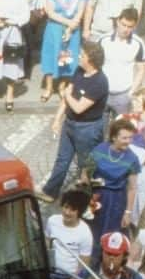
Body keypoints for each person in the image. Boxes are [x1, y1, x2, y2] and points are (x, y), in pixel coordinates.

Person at [41, 41, 109, 202]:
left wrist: (66, 94)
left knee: (86, 165)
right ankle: (51, 192)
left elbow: (78, 107)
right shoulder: (79, 71)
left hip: (88, 129)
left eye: (82, 55)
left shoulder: (99, 82)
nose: (79, 57)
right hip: (70, 124)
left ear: (91, 60)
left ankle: (89, 199)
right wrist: (57, 119)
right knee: (62, 159)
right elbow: (67, 99)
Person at [84, 117, 140, 243]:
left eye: (130, 137)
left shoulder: (132, 159)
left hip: (116, 201)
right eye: (124, 138)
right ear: (114, 137)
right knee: (92, 231)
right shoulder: (99, 150)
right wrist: (87, 192)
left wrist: (128, 212)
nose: (128, 141)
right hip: (97, 196)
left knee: (112, 234)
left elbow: (132, 188)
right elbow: (85, 173)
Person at [39, 0, 86, 102]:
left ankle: (62, 86)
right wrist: (68, 23)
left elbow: (80, 12)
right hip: (55, 29)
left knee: (67, 58)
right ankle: (48, 87)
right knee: (51, 57)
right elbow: (51, 13)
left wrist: (71, 28)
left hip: (73, 30)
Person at [99, 6, 145, 116]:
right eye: (124, 25)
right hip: (103, 93)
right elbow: (94, 64)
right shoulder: (103, 40)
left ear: (134, 26)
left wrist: (132, 91)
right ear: (118, 22)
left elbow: (141, 69)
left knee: (121, 131)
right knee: (99, 130)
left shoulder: (138, 43)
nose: (126, 29)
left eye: (130, 26)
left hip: (123, 95)